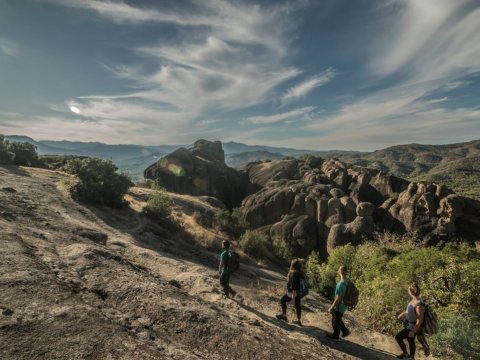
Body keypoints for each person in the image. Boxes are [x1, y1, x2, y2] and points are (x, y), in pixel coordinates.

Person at [395, 283, 426, 359]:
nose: (408, 291)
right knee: (410, 341)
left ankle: (407, 355)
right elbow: (409, 311)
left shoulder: (419, 304)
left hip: (413, 327)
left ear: (411, 291)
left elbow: (420, 319)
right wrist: (402, 314)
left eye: (408, 290)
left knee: (398, 337)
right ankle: (410, 357)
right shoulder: (415, 299)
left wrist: (413, 331)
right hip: (409, 325)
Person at [276, 259, 305, 326]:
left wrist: (293, 298)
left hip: (292, 293)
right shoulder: (301, 273)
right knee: (298, 306)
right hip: (300, 293)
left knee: (283, 300)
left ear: (293, 266)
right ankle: (299, 320)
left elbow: (294, 287)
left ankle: (284, 316)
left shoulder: (294, 274)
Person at [326, 265, 350, 340]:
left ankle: (335, 336)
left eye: (339, 270)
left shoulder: (340, 284)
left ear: (340, 272)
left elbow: (338, 298)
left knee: (335, 321)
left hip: (339, 306)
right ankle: (345, 331)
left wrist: (331, 307)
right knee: (338, 318)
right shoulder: (348, 281)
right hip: (344, 304)